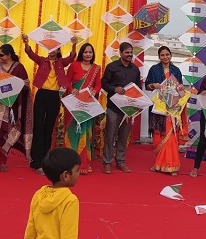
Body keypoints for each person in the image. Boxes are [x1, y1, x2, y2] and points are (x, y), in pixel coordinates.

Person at [24, 33, 78, 175]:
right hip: (41, 95)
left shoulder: (61, 63)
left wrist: (73, 44)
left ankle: (45, 160)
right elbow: (31, 54)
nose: (52, 50)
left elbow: (71, 57)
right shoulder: (42, 61)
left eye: (55, 48)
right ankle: (36, 161)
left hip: (54, 97)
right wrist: (26, 43)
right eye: (50, 48)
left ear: (58, 50)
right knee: (38, 127)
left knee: (49, 129)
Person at [0, 43, 33, 172]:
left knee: (6, 133)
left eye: (1, 55)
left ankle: (3, 161)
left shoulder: (19, 67)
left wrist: (26, 84)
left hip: (10, 106)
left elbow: (24, 86)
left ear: (9, 55)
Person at [100, 42, 142, 174]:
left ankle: (120, 161)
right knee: (110, 135)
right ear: (120, 53)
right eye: (127, 52)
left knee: (124, 136)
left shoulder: (135, 69)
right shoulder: (111, 67)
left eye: (131, 52)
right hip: (113, 106)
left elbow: (138, 88)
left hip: (128, 109)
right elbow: (104, 84)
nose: (130, 55)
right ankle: (107, 162)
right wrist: (114, 88)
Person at [145, 46, 187, 176]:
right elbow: (147, 85)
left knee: (170, 136)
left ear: (170, 55)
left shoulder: (176, 70)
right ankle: (159, 163)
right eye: (162, 55)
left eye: (167, 54)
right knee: (158, 135)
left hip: (172, 109)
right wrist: (154, 85)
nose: (165, 57)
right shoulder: (154, 69)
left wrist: (180, 87)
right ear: (159, 57)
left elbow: (181, 90)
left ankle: (171, 165)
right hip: (158, 107)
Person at [24, 147, 80, 239]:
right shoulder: (70, 201)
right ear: (65, 175)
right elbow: (69, 236)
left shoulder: (39, 194)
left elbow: (30, 230)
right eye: (77, 170)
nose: (78, 174)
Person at [63, 42, 102, 174]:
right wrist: (71, 89)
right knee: (71, 131)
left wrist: (94, 92)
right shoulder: (74, 65)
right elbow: (67, 80)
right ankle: (68, 162)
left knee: (84, 132)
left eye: (90, 52)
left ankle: (83, 163)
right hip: (73, 104)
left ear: (93, 54)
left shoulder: (96, 68)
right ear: (81, 53)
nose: (88, 54)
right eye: (85, 52)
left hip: (86, 104)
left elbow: (98, 85)